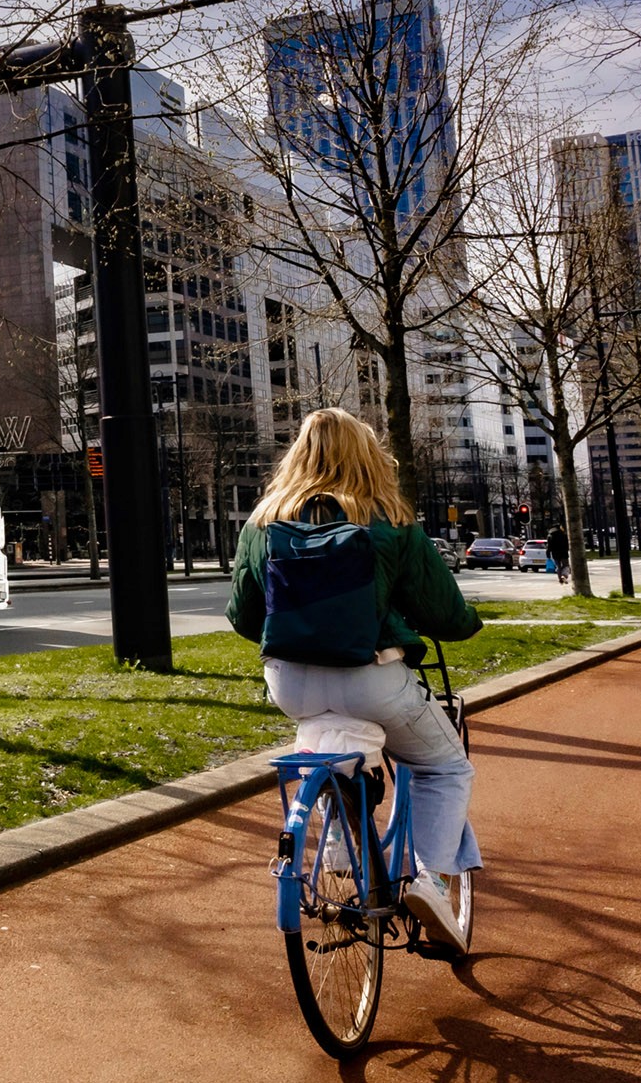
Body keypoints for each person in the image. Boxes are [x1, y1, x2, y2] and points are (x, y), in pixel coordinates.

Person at [227, 408, 483, 953]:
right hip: (372, 678)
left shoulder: (263, 521)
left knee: (324, 748)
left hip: (291, 684)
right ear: (367, 453)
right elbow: (444, 612)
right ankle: (433, 881)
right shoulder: (388, 517)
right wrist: (465, 625)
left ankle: (342, 853)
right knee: (444, 768)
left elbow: (244, 616)